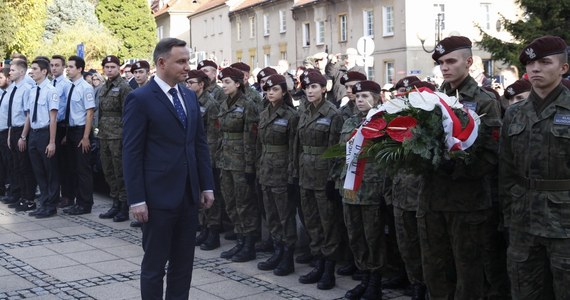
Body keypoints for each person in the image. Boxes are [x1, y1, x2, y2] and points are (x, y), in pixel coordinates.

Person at [123, 37, 215, 300]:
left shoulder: (188, 95)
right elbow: (131, 152)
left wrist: (206, 185)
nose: (188, 67)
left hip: (188, 196)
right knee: (154, 266)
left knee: (183, 265)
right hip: (157, 198)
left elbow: (199, 144)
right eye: (182, 61)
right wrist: (137, 199)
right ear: (162, 63)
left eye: (188, 60)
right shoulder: (140, 99)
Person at [420, 36, 504, 299]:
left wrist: (454, 170)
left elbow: (491, 153)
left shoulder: (484, 101)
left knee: (468, 270)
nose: (445, 67)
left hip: (467, 201)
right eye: (441, 62)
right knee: (435, 267)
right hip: (433, 199)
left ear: (468, 62)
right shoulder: (431, 99)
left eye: (451, 61)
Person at [500, 35, 570, 300]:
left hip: (565, 223)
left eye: (544, 62)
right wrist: (508, 215)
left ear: (563, 68)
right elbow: (505, 170)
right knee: (524, 291)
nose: (535, 68)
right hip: (523, 220)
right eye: (530, 63)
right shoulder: (515, 113)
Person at [339, 80, 389, 300]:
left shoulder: (385, 122)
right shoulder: (350, 122)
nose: (360, 100)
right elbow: (341, 154)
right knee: (355, 234)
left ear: (377, 98)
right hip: (350, 187)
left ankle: (375, 282)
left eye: (365, 96)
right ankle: (364, 277)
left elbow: (390, 161)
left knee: (373, 236)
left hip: (372, 187)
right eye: (357, 97)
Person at [294, 70, 343, 290]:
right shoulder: (303, 111)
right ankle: (318, 262)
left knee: (328, 223)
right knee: (311, 221)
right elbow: (298, 145)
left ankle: (329, 269)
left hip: (324, 176)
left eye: (314, 87)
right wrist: (294, 172)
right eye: (307, 87)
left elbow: (336, 150)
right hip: (306, 173)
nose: (310, 91)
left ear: (324, 89)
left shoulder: (333, 113)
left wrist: (333, 179)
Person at [255, 74, 299, 276]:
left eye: (275, 90)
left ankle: (288, 256)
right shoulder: (264, 114)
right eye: (268, 90)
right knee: (271, 214)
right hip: (266, 169)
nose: (270, 93)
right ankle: (277, 250)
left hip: (282, 171)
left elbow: (293, 148)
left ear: (284, 92)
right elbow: (259, 145)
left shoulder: (291, 116)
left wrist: (292, 175)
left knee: (285, 215)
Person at [217, 66, 260, 262]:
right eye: (222, 82)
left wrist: (250, 166)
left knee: (245, 204)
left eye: (227, 82)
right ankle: (240, 240)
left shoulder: (248, 104)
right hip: (226, 161)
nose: (223, 86)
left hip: (241, 163)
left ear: (237, 83)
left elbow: (250, 139)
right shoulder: (224, 103)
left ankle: (249, 244)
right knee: (231, 202)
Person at [185, 69, 222, 250]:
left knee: (210, 195)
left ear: (201, 84)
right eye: (187, 82)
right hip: (195, 154)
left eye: (192, 82)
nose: (188, 85)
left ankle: (213, 232)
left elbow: (214, 135)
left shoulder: (211, 104)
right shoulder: (191, 101)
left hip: (208, 154)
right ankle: (205, 229)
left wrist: (209, 159)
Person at [96, 55, 132, 219]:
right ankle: (115, 202)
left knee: (120, 171)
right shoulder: (104, 87)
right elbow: (101, 112)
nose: (109, 70)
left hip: (118, 135)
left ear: (119, 69)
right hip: (104, 134)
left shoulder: (124, 87)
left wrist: (126, 134)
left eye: (113, 67)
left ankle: (124, 205)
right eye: (107, 67)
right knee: (108, 170)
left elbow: (128, 113)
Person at [25, 59, 59, 218]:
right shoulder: (32, 90)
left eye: (34, 69)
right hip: (34, 133)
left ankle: (51, 205)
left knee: (50, 170)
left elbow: (53, 118)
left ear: (44, 71)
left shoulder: (51, 90)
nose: (31, 71)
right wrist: (25, 136)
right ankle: (43, 203)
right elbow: (30, 115)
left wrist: (52, 142)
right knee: (38, 170)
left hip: (45, 133)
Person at [64, 56, 96, 218]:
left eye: (70, 67)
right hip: (71, 131)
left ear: (79, 69)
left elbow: (89, 113)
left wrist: (85, 137)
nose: (68, 69)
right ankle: (77, 202)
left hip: (81, 131)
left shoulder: (85, 87)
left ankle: (85, 203)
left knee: (83, 169)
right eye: (68, 67)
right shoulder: (71, 86)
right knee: (73, 168)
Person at [7, 59, 37, 212]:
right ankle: (21, 196)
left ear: (21, 71)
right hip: (14, 129)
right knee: (17, 166)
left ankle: (29, 198)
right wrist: (10, 133)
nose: (9, 72)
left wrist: (23, 136)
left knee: (25, 166)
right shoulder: (14, 88)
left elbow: (28, 115)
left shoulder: (26, 88)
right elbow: (12, 113)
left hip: (22, 130)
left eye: (12, 70)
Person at [0, 68, 13, 204]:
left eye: (1, 78)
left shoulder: (10, 93)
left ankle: (11, 189)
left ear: (8, 78)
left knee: (9, 162)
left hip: (7, 131)